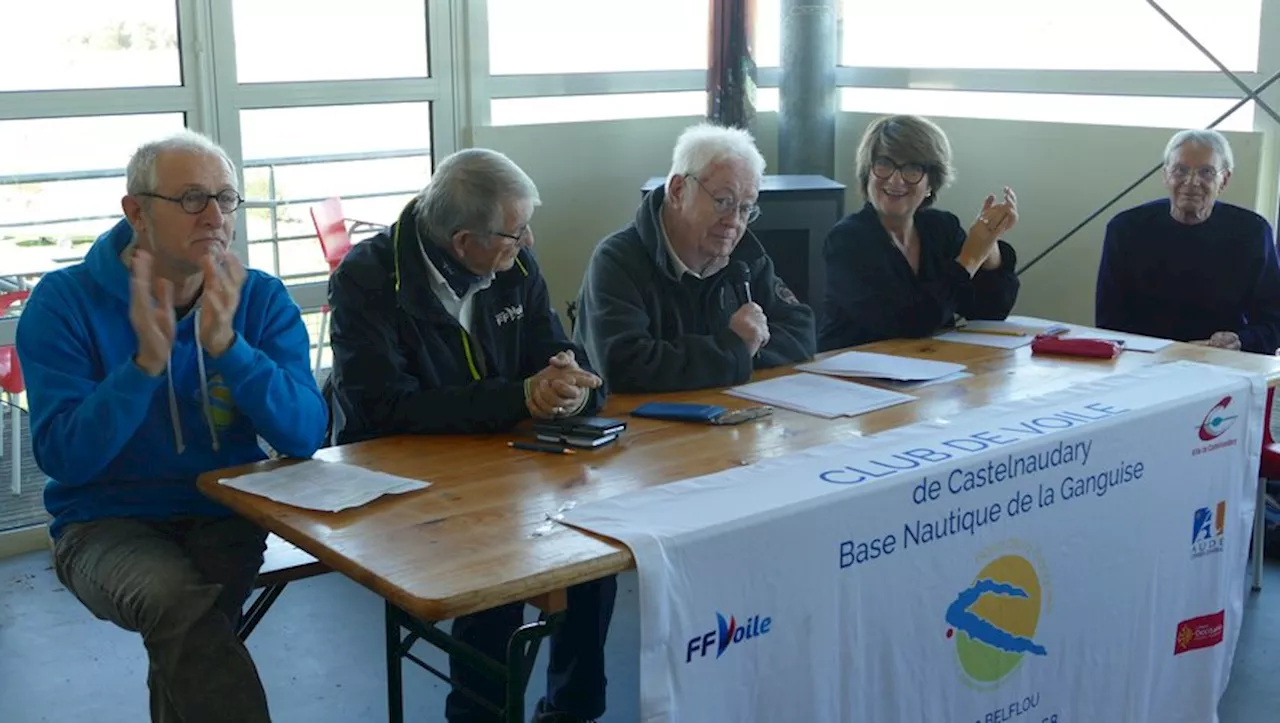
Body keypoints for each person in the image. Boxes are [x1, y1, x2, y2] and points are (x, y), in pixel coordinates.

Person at [15, 130, 328, 723]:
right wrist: (143, 368)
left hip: (223, 515)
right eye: (190, 199)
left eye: (226, 198)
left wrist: (230, 348)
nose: (213, 215)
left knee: (188, 630)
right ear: (136, 211)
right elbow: (65, 457)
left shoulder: (258, 299)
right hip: (101, 524)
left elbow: (305, 433)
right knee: (179, 606)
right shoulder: (64, 303)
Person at [323, 148, 614, 723]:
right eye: (516, 231)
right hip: (397, 476)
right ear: (463, 243)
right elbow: (384, 410)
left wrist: (572, 384)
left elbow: (554, 351)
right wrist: (517, 397)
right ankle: (478, 715)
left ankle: (574, 711)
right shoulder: (366, 279)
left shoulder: (516, 267)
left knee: (594, 554)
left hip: (502, 459)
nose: (528, 241)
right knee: (499, 571)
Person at [574, 123, 815, 392]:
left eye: (745, 208)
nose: (734, 222)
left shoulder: (744, 256)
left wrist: (739, 354)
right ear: (678, 190)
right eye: (723, 201)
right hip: (643, 426)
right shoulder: (617, 260)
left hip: (729, 413)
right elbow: (623, 365)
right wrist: (734, 348)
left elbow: (801, 330)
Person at [817, 114, 1020, 351]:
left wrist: (989, 245)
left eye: (912, 169)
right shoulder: (848, 239)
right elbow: (909, 323)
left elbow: (989, 311)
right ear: (868, 172)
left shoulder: (941, 227)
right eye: (884, 164)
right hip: (852, 374)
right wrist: (969, 259)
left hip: (930, 369)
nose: (895, 180)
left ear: (931, 183)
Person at [1095, 128, 1280, 353]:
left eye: (1206, 172)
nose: (1191, 182)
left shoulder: (1253, 232)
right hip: (1144, 361)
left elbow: (1273, 322)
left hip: (1224, 363)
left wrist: (1241, 341)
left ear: (1224, 180)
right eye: (1180, 170)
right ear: (1166, 175)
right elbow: (1108, 323)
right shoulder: (1125, 229)